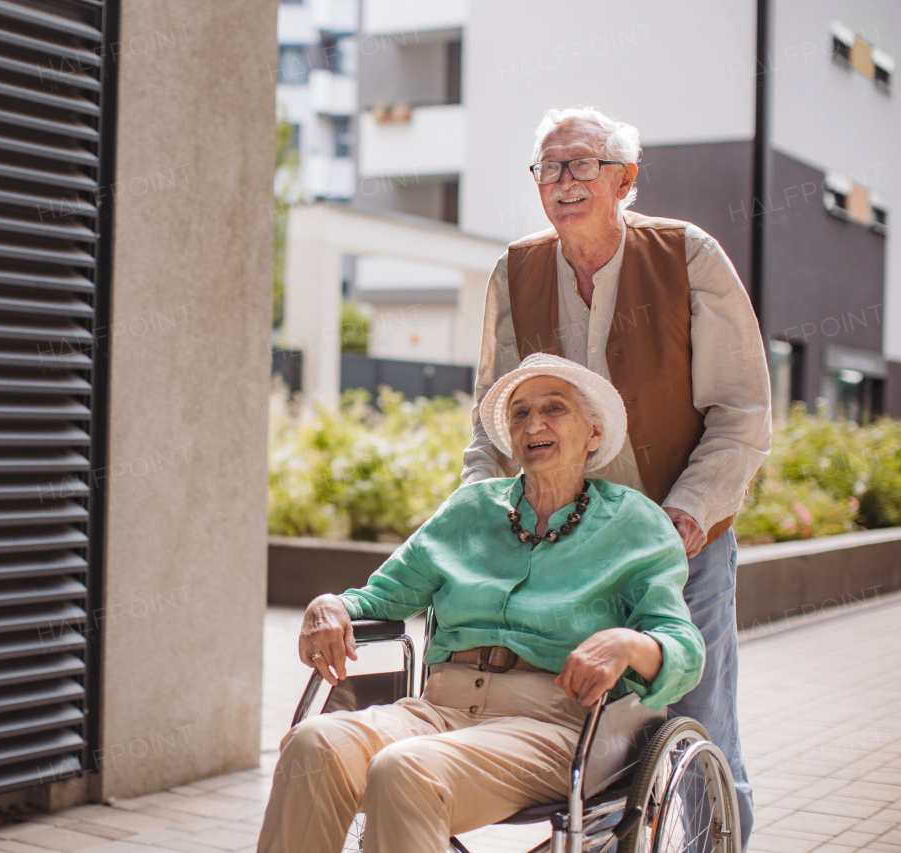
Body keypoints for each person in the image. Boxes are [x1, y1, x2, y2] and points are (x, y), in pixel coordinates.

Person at [461, 106, 771, 849]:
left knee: (703, 728)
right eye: (550, 168)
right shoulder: (517, 270)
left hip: (681, 539)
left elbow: (742, 412)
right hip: (570, 550)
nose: (564, 182)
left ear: (624, 178)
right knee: (589, 736)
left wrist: (686, 518)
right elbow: (493, 422)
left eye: (582, 165)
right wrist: (473, 519)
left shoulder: (687, 255)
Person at [258, 354, 705, 853]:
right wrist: (329, 604)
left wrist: (629, 644)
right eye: (519, 413)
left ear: (593, 434)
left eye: (554, 408)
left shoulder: (635, 526)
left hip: (553, 726)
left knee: (405, 767)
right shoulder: (470, 510)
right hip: (438, 709)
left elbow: (682, 647)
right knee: (312, 744)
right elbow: (379, 597)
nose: (533, 423)